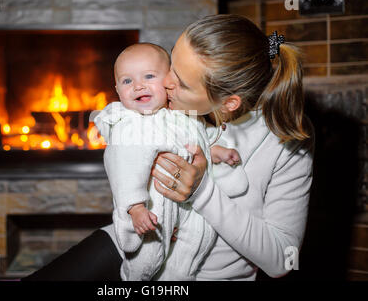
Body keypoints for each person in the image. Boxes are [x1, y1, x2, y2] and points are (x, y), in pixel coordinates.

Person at [22, 14, 314, 281]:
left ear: (229, 103)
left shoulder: (286, 141)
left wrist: (201, 192)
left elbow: (281, 259)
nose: (165, 81)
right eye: (172, 64)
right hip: (137, 247)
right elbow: (120, 131)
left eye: (183, 84)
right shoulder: (166, 108)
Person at [92, 43, 240, 281]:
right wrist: (135, 207)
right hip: (152, 209)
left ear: (169, 81)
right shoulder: (130, 126)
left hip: (188, 208)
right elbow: (123, 167)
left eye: (149, 76)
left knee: (191, 251)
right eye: (127, 81)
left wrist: (215, 150)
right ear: (117, 89)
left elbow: (194, 142)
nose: (138, 85)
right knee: (146, 259)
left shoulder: (179, 115)